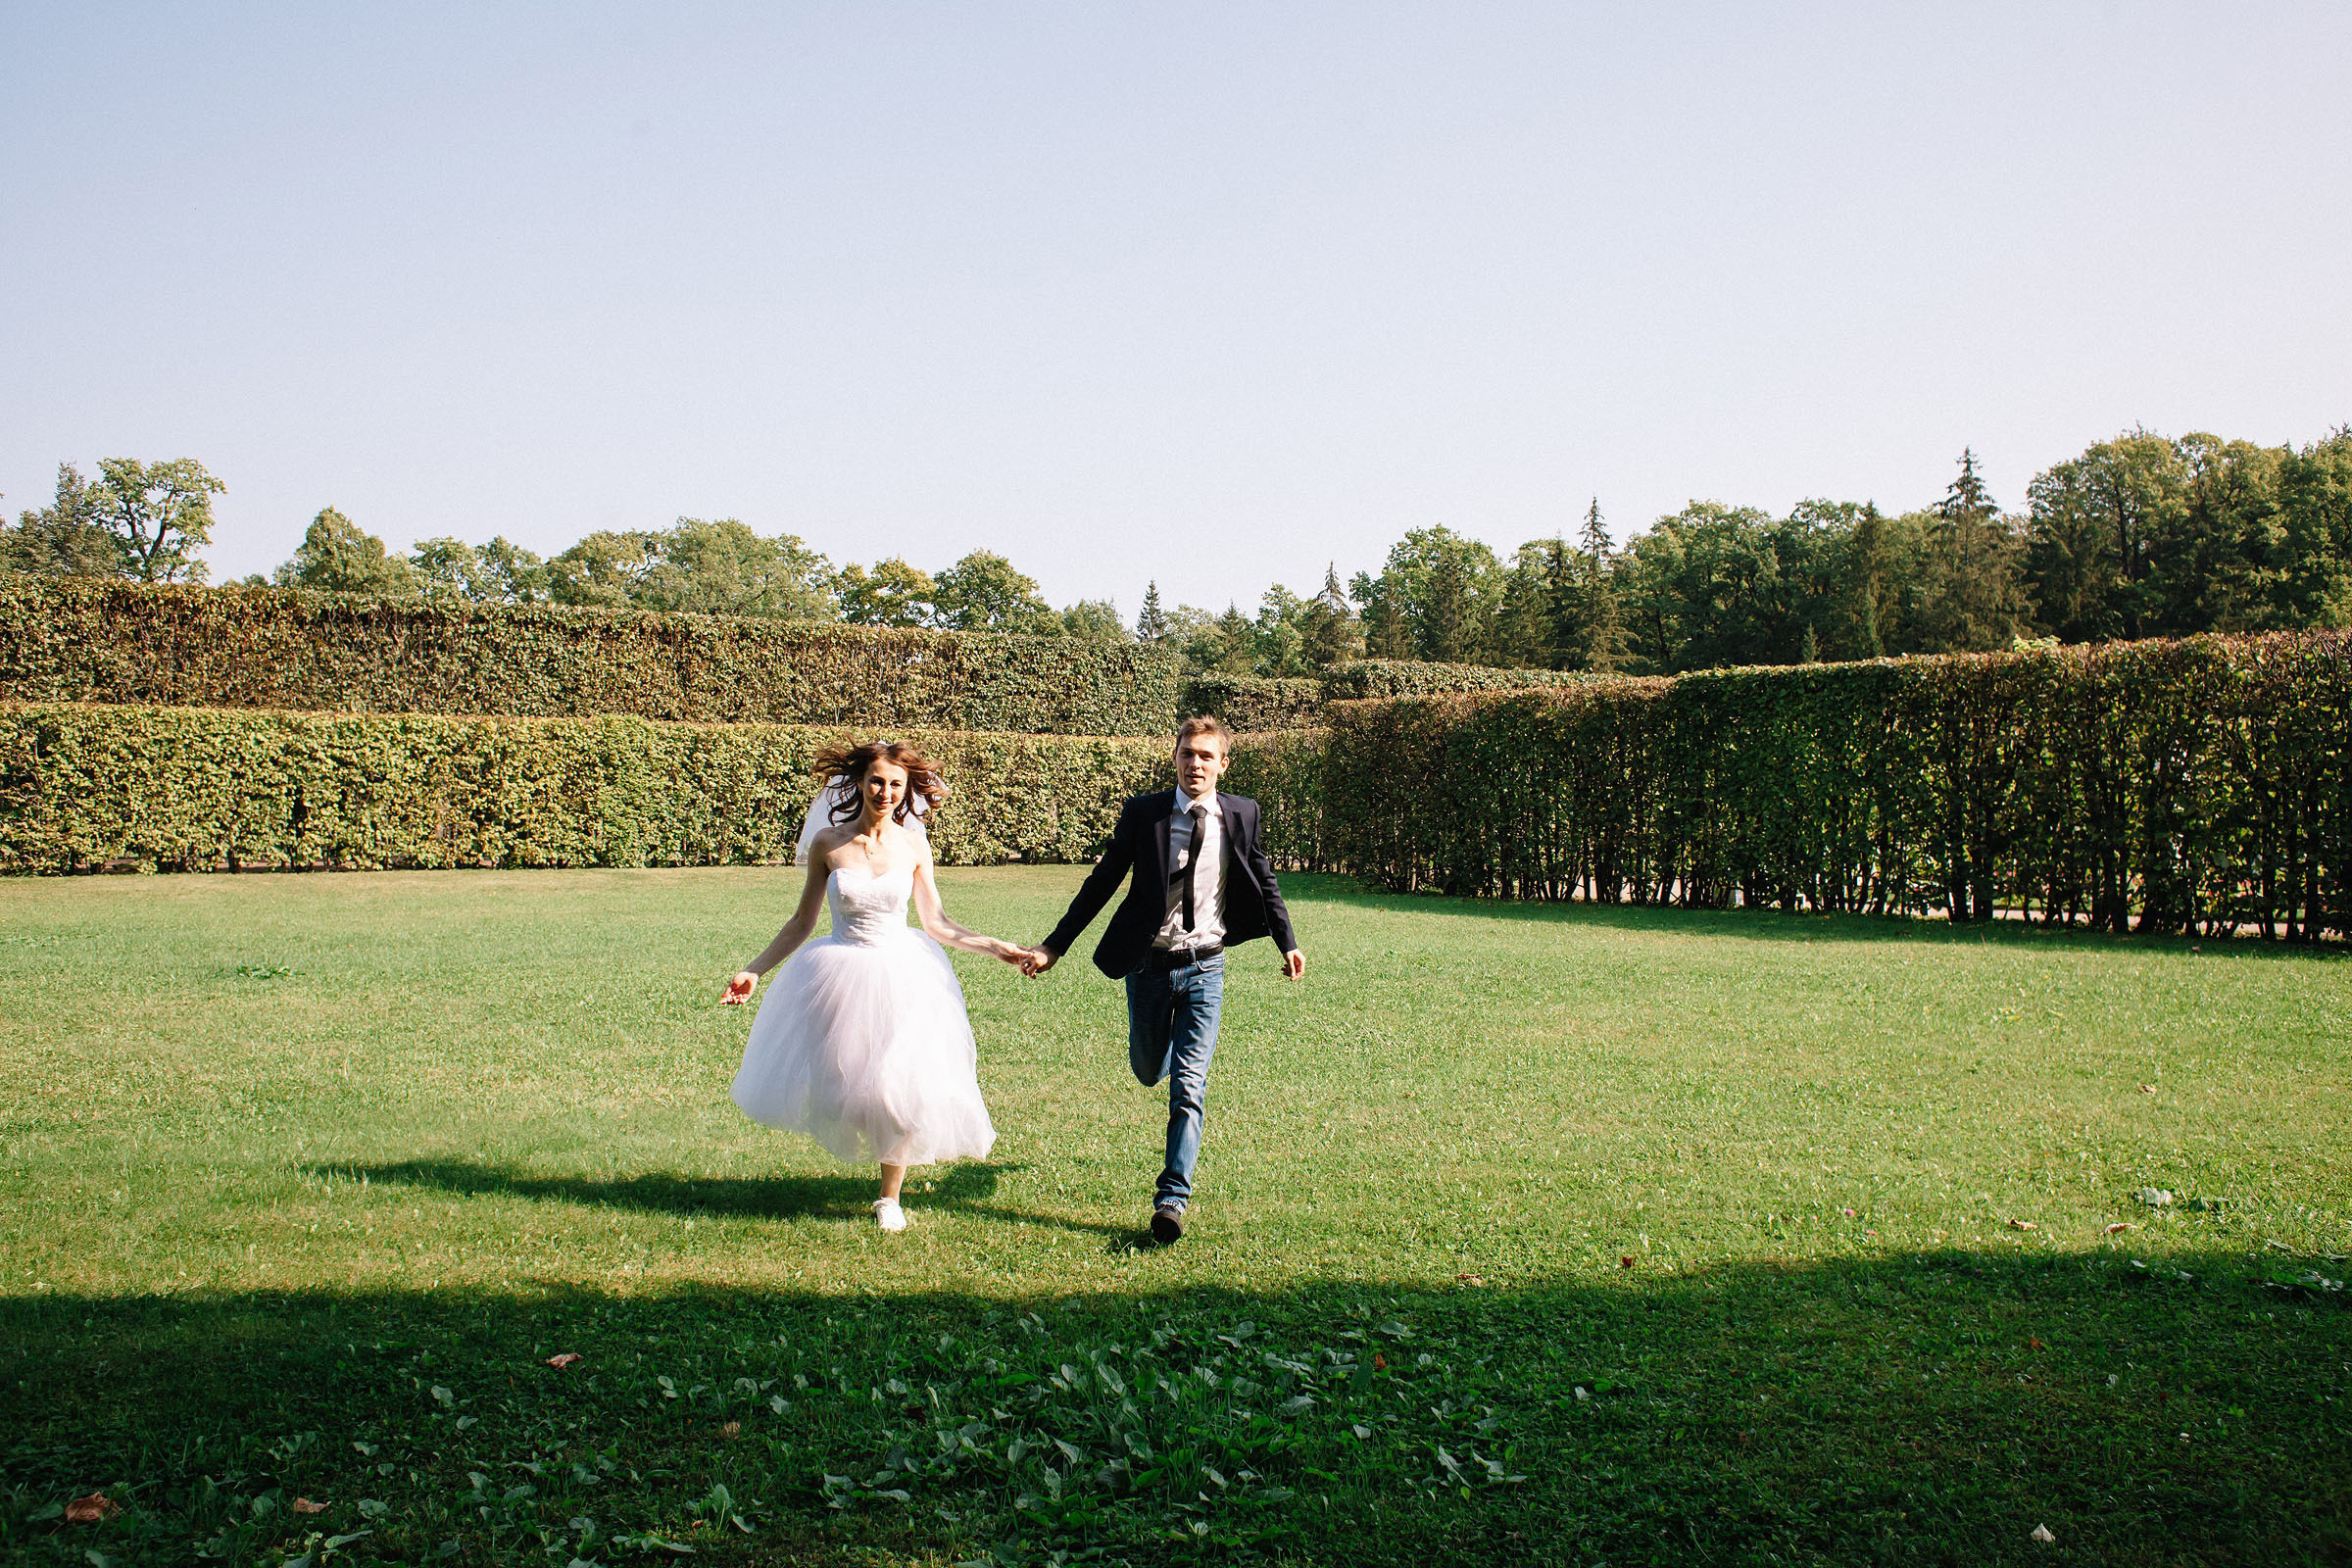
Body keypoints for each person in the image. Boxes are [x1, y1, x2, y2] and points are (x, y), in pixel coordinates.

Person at [721, 741, 1031, 1231]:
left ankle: (889, 1198)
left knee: (899, 1090)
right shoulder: (828, 844)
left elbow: (937, 923)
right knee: (849, 1094)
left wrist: (996, 946)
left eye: (896, 784)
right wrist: (755, 970)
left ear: (906, 790)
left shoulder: (913, 845)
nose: (885, 792)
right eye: (877, 781)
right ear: (860, 782)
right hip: (838, 975)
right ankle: (879, 1163)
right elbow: (802, 922)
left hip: (905, 975)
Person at [1020, 716, 1303, 1245]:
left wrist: (1285, 939)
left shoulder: (1242, 814)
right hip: (1149, 965)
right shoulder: (1145, 814)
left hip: (1206, 966)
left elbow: (1262, 875)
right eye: (1186, 754)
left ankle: (1172, 1199)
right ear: (1173, 758)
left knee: (1189, 1086)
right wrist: (1054, 945)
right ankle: (1160, 1060)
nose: (1195, 764)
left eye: (1205, 756)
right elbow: (1103, 880)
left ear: (1223, 763)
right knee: (1150, 1068)